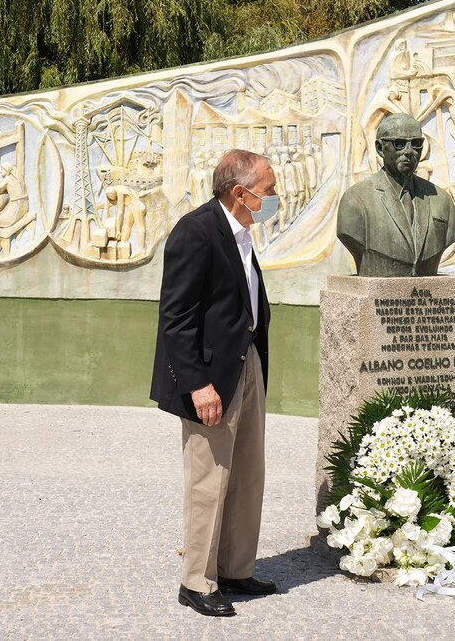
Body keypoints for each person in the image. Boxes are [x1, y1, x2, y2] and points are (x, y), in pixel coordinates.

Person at [150, 149, 279, 617]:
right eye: (267, 190)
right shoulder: (197, 230)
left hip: (246, 365)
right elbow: (176, 317)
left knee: (247, 472)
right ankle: (196, 582)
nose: (273, 197)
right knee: (209, 480)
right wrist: (197, 385)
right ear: (238, 192)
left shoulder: (242, 232)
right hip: (210, 378)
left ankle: (235, 569)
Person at [337, 113, 455, 277]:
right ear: (380, 148)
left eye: (416, 144)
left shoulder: (442, 200)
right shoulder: (355, 200)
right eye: (399, 144)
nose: (409, 151)